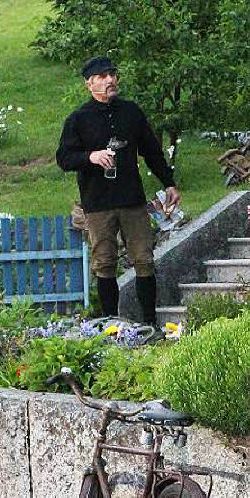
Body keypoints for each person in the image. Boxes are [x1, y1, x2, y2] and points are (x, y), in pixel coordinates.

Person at [56, 56, 179, 327]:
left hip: (131, 200)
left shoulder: (131, 112)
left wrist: (168, 182)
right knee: (104, 263)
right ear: (89, 84)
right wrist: (91, 157)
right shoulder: (78, 119)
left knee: (144, 260)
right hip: (97, 203)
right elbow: (64, 158)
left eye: (112, 74)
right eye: (102, 77)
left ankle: (150, 324)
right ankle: (111, 326)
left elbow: (151, 151)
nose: (110, 80)